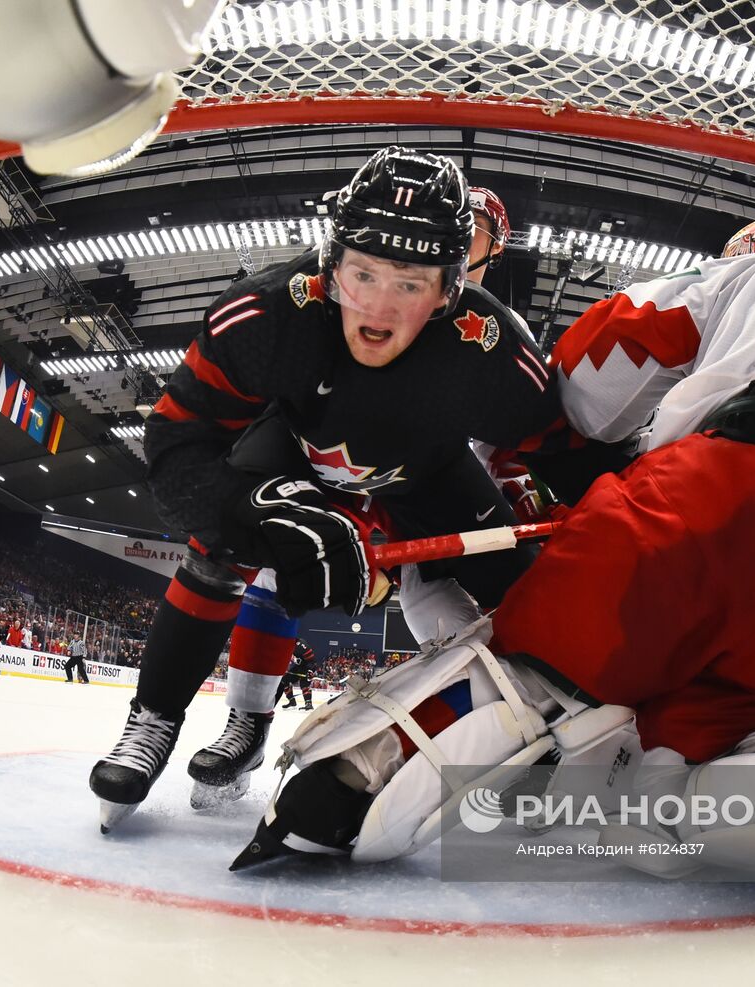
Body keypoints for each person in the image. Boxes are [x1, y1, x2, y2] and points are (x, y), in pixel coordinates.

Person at [231, 207, 755, 870]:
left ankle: (342, 790)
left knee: (534, 673)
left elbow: (588, 386)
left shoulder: (734, 278)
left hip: (709, 500)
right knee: (678, 754)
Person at [88, 147, 561, 831]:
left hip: (425, 476)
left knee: (532, 598)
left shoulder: (492, 348)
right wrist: (243, 511)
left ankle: (550, 734)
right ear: (330, 260)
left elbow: (564, 442)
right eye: (363, 273)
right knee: (218, 543)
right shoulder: (266, 315)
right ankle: (159, 717)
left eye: (409, 282)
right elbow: (174, 450)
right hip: (298, 456)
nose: (376, 305)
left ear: (452, 286)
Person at [276, 640, 317, 711]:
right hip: (300, 667)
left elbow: (312, 660)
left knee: (304, 683)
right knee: (285, 679)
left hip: (308, 666)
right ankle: (292, 701)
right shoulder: (288, 645)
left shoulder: (301, 646)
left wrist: (310, 670)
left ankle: (308, 704)